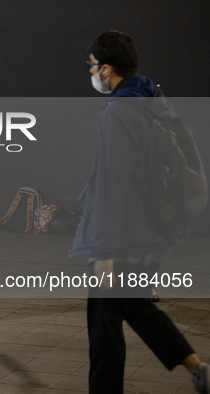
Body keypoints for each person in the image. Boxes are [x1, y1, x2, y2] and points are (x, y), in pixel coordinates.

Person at [70, 31, 209, 394]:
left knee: (104, 328)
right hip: (151, 232)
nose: (90, 71)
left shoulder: (120, 111)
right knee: (135, 307)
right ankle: (196, 368)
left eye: (92, 65)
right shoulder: (153, 99)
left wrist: (104, 252)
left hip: (124, 238)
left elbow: (113, 186)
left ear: (107, 68)